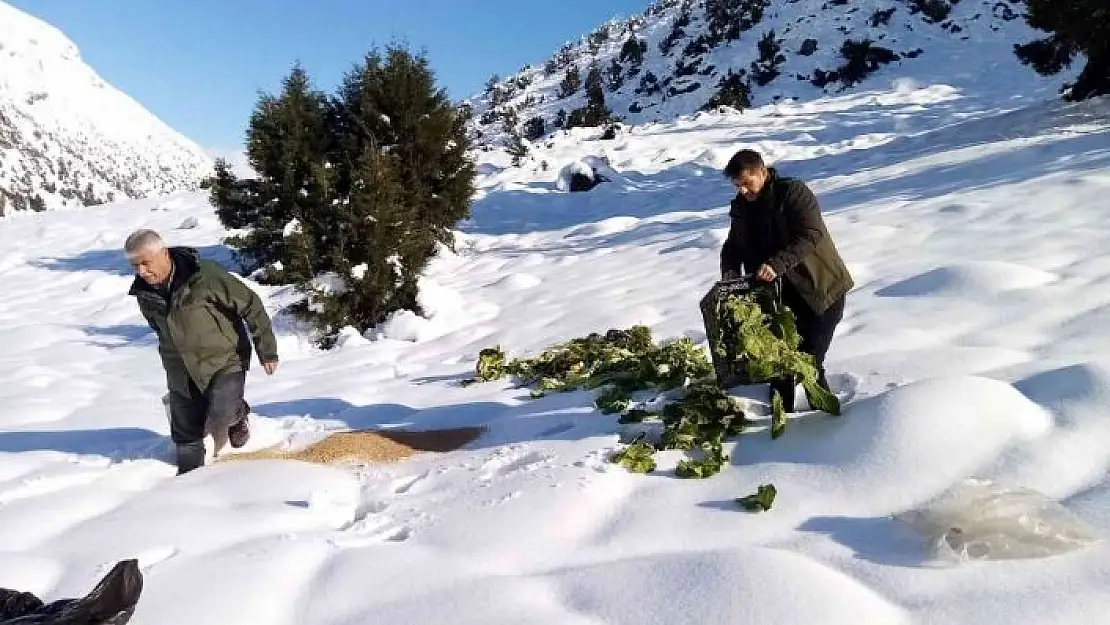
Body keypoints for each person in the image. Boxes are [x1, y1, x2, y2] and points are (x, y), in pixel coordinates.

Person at [124, 229, 279, 474]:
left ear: (164, 254)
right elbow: (160, 329)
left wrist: (267, 350)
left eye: (145, 263)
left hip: (225, 359)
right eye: (135, 266)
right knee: (186, 437)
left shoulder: (205, 276)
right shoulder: (145, 293)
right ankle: (191, 487)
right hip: (180, 368)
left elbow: (251, 304)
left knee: (222, 411)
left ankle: (238, 414)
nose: (141, 271)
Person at [718, 149, 853, 411]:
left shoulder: (793, 193)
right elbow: (733, 244)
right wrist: (730, 269)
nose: (743, 191)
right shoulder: (741, 206)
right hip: (778, 298)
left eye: (747, 183)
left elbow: (810, 234)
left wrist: (776, 264)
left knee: (809, 361)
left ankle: (826, 423)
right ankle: (780, 419)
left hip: (819, 289)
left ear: (762, 172)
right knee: (779, 362)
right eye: (737, 186)